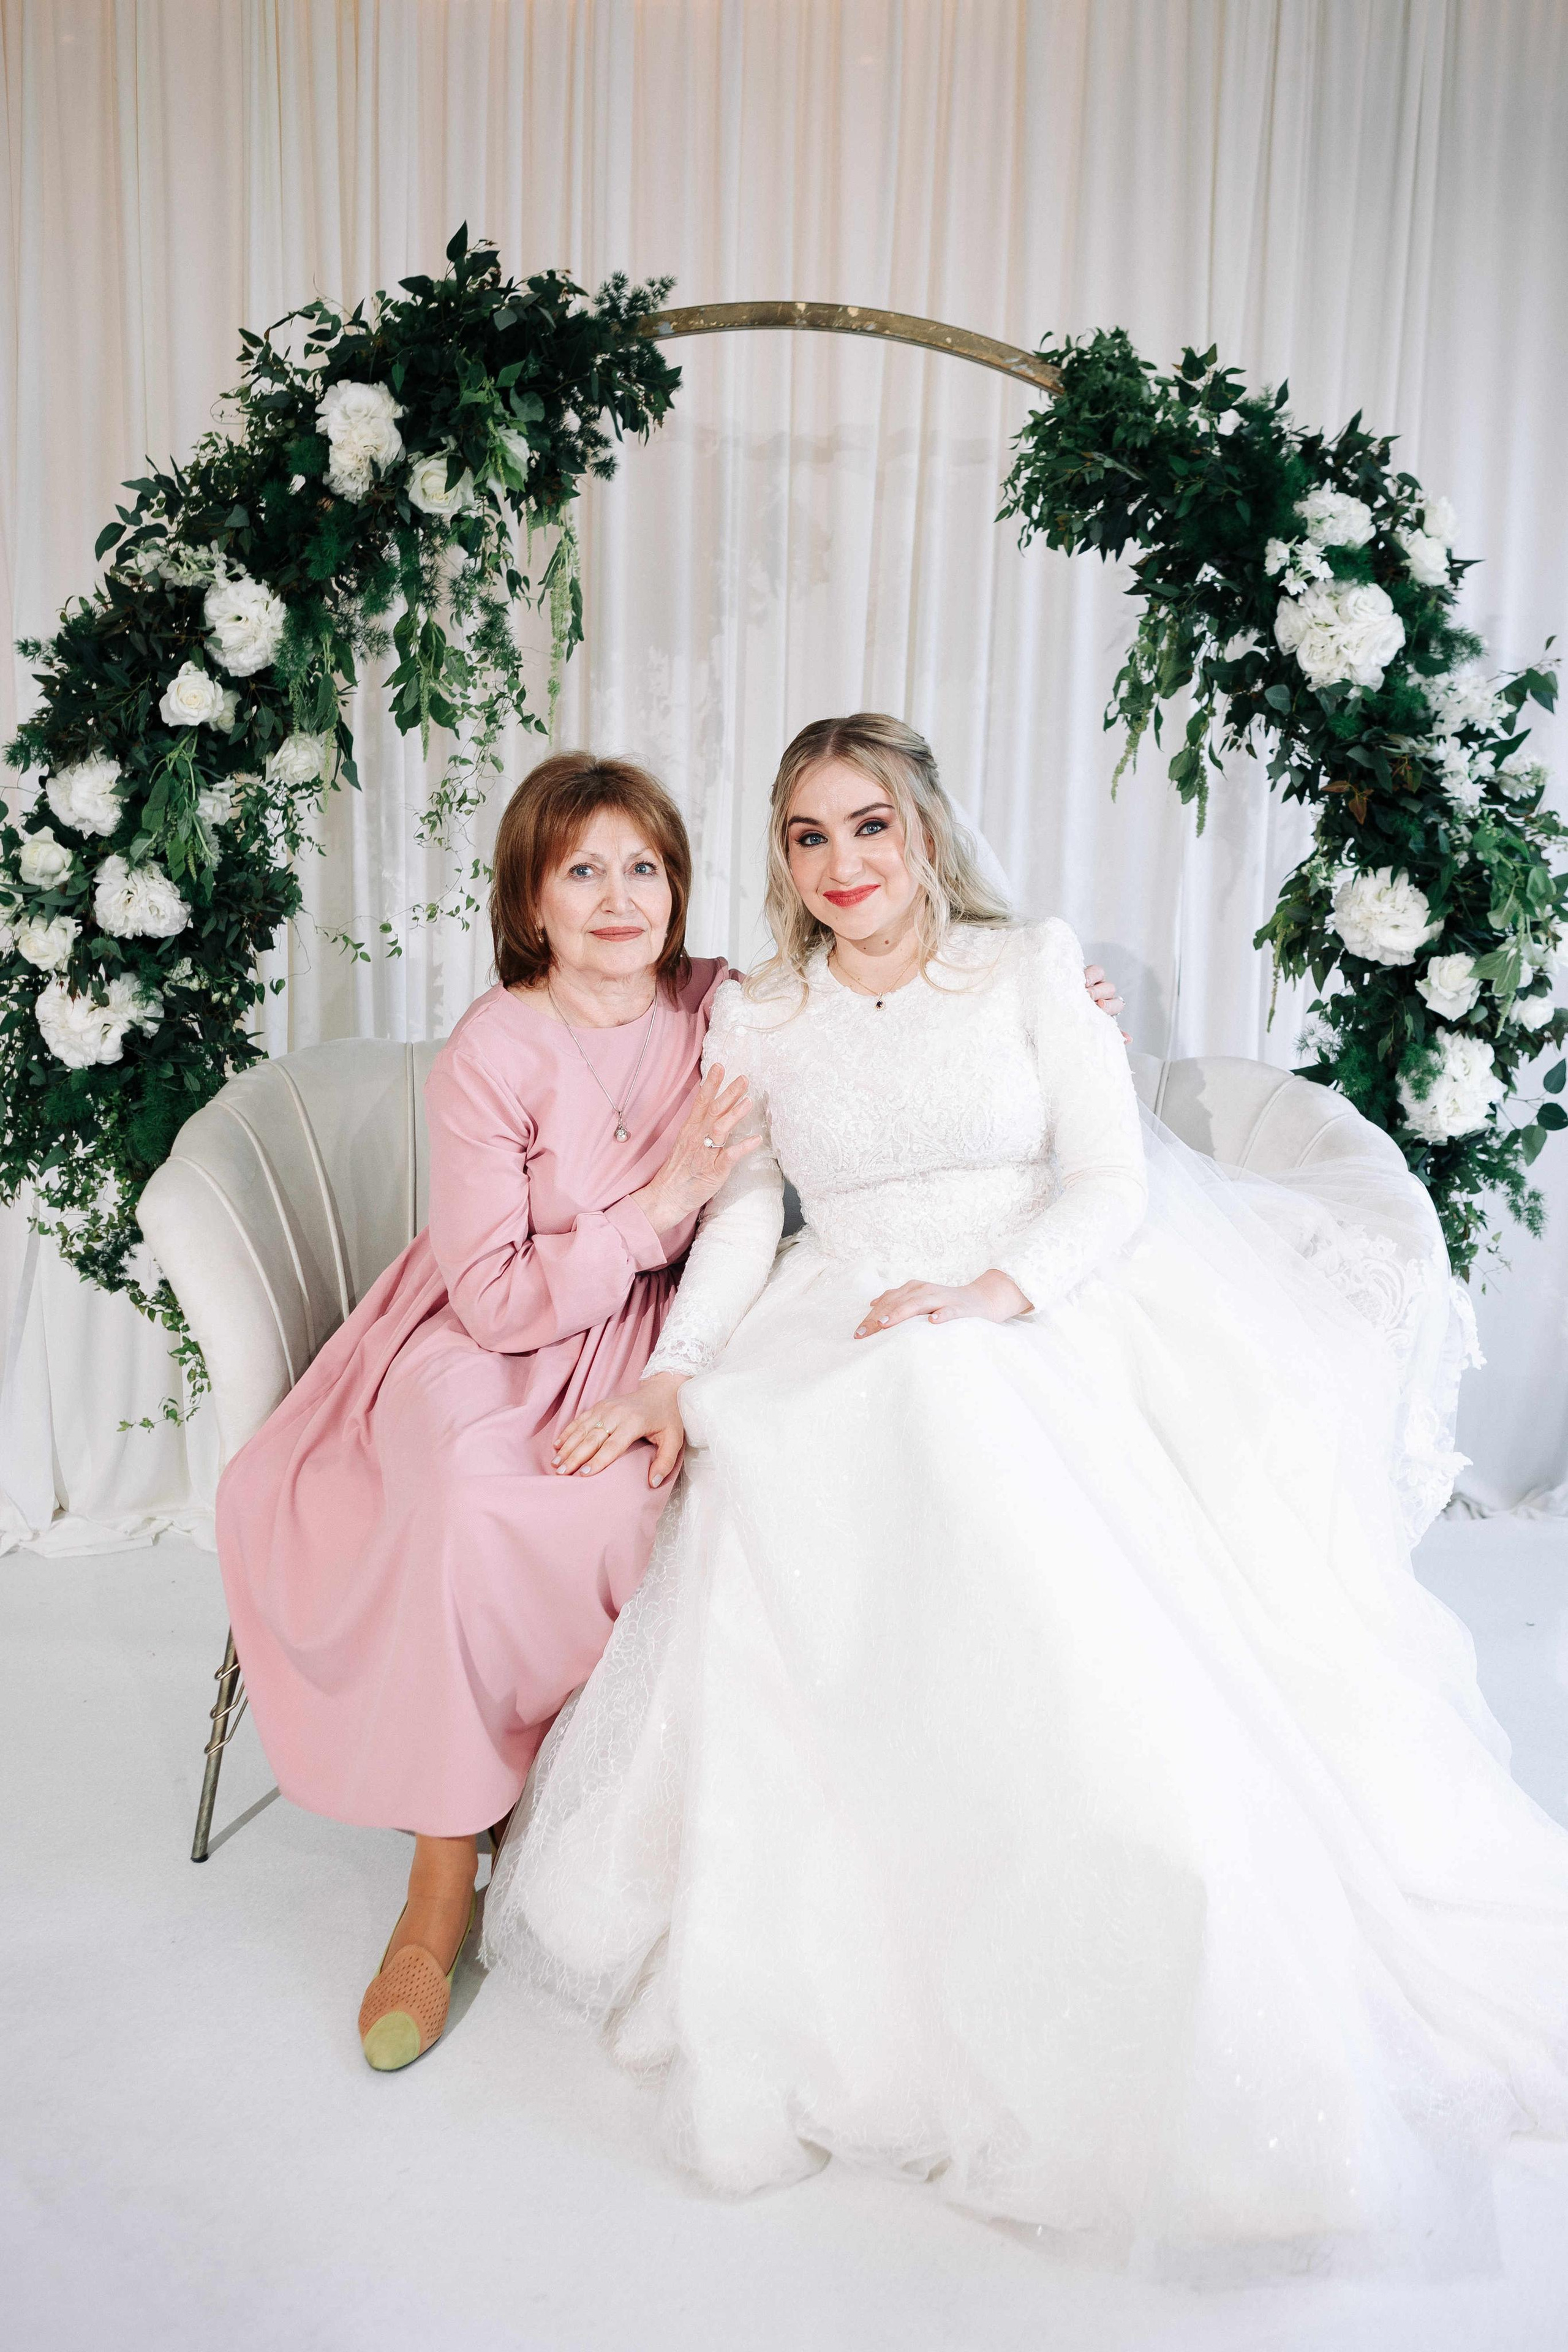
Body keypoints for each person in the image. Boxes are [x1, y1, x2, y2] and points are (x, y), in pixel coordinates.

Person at [483, 712, 1568, 2280]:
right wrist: (681, 1368)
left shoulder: (1026, 965)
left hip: (1025, 1289)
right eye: (806, 836)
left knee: (951, 1400)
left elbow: (1108, 1179)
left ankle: (1133, 1876)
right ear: (780, 859)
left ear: (921, 831)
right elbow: (736, 1216)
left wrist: (993, 1294)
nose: (840, 864)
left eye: (868, 827)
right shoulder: (763, 1010)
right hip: (835, 1301)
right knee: (822, 1431)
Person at [215, 740, 1131, 2072]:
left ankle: (579, 1805)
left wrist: (1062, 997)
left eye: (641, 867)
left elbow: (886, 1027)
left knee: (644, 1507)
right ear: (529, 901)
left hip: (653, 1332)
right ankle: (439, 1867)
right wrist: (655, 1209)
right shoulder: (488, 1055)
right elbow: (499, 1300)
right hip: (502, 1333)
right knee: (474, 1507)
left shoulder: (725, 1000)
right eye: (578, 871)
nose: (614, 898)